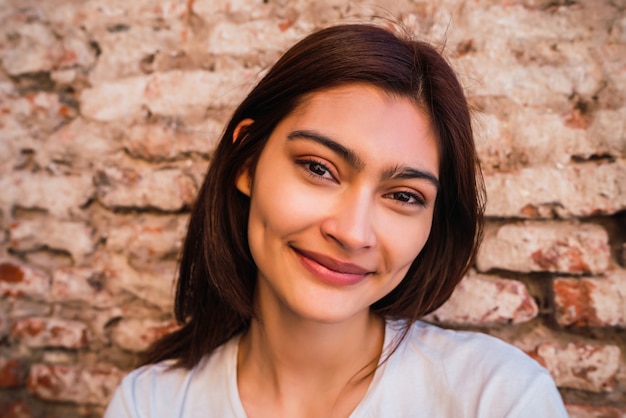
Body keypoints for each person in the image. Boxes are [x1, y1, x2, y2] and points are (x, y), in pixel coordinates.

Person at [105, 23, 568, 417]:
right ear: (246, 161)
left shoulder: (499, 399)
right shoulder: (152, 403)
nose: (351, 232)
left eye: (404, 196)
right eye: (318, 168)